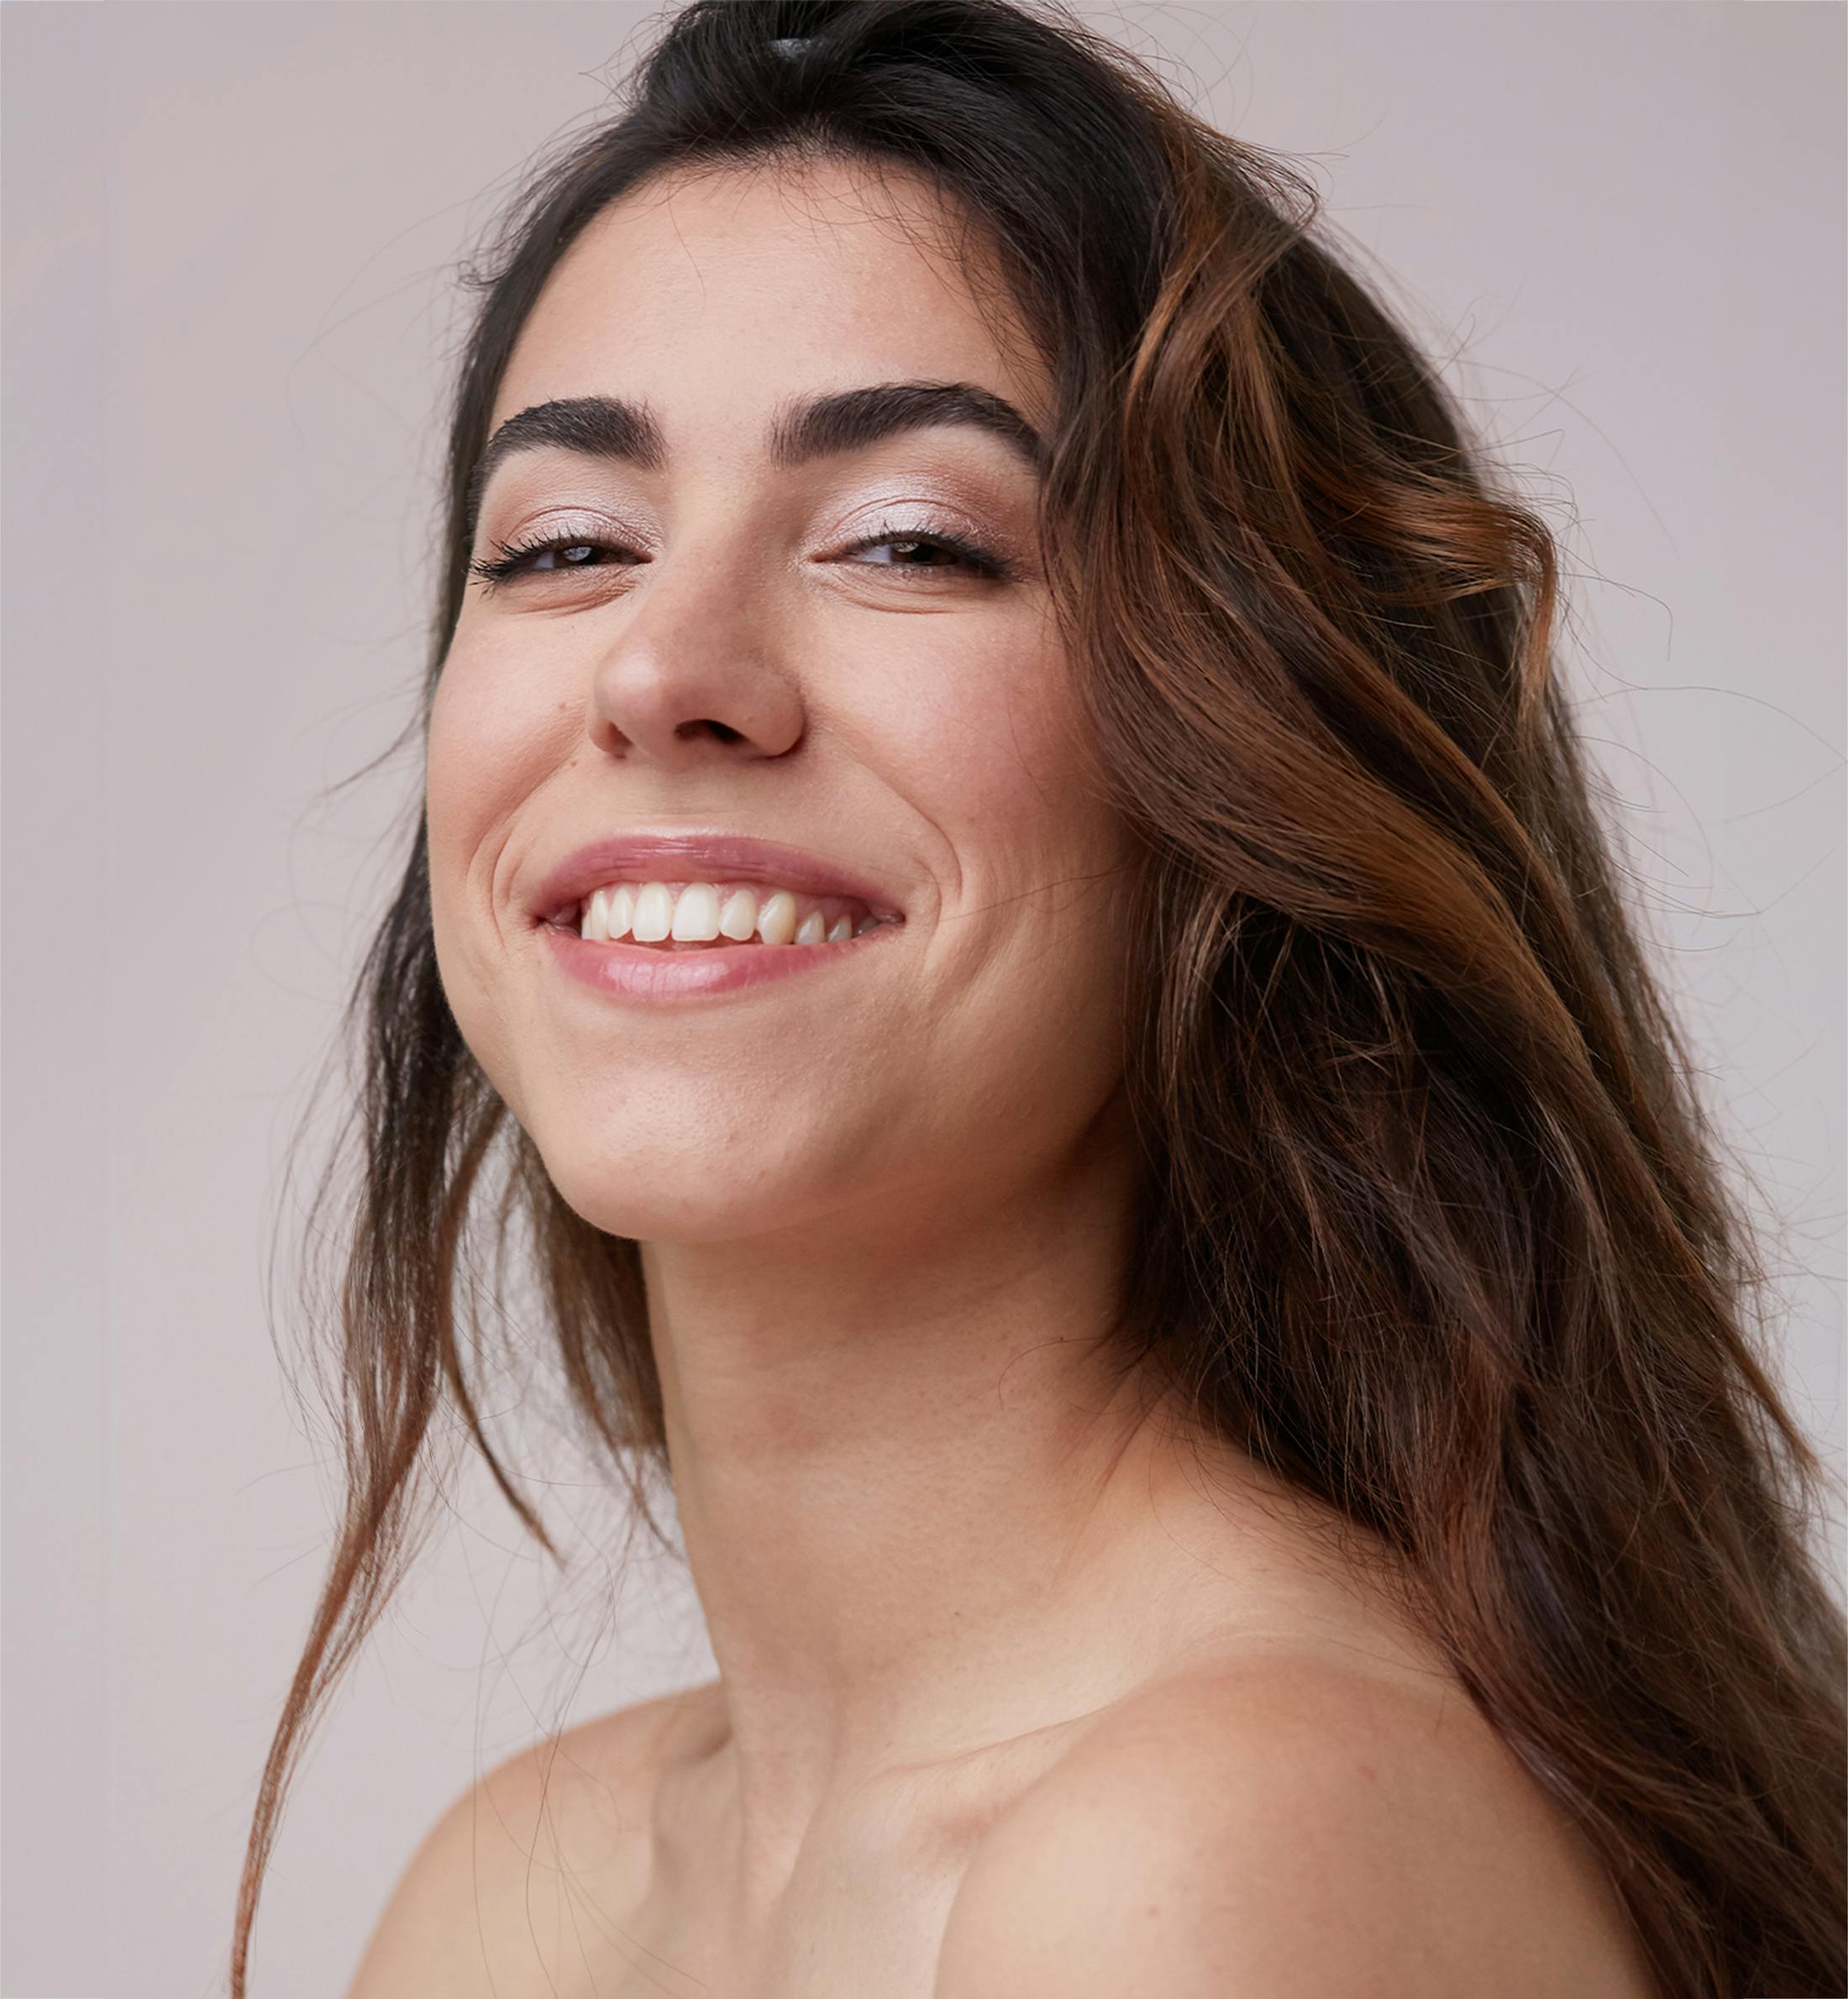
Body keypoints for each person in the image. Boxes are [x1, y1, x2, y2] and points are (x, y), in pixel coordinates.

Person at [231, 3, 1846, 1994]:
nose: (662, 667)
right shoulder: (515, 1897)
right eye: (565, 542)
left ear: (1235, 773)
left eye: (909, 540)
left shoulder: (1220, 1849)